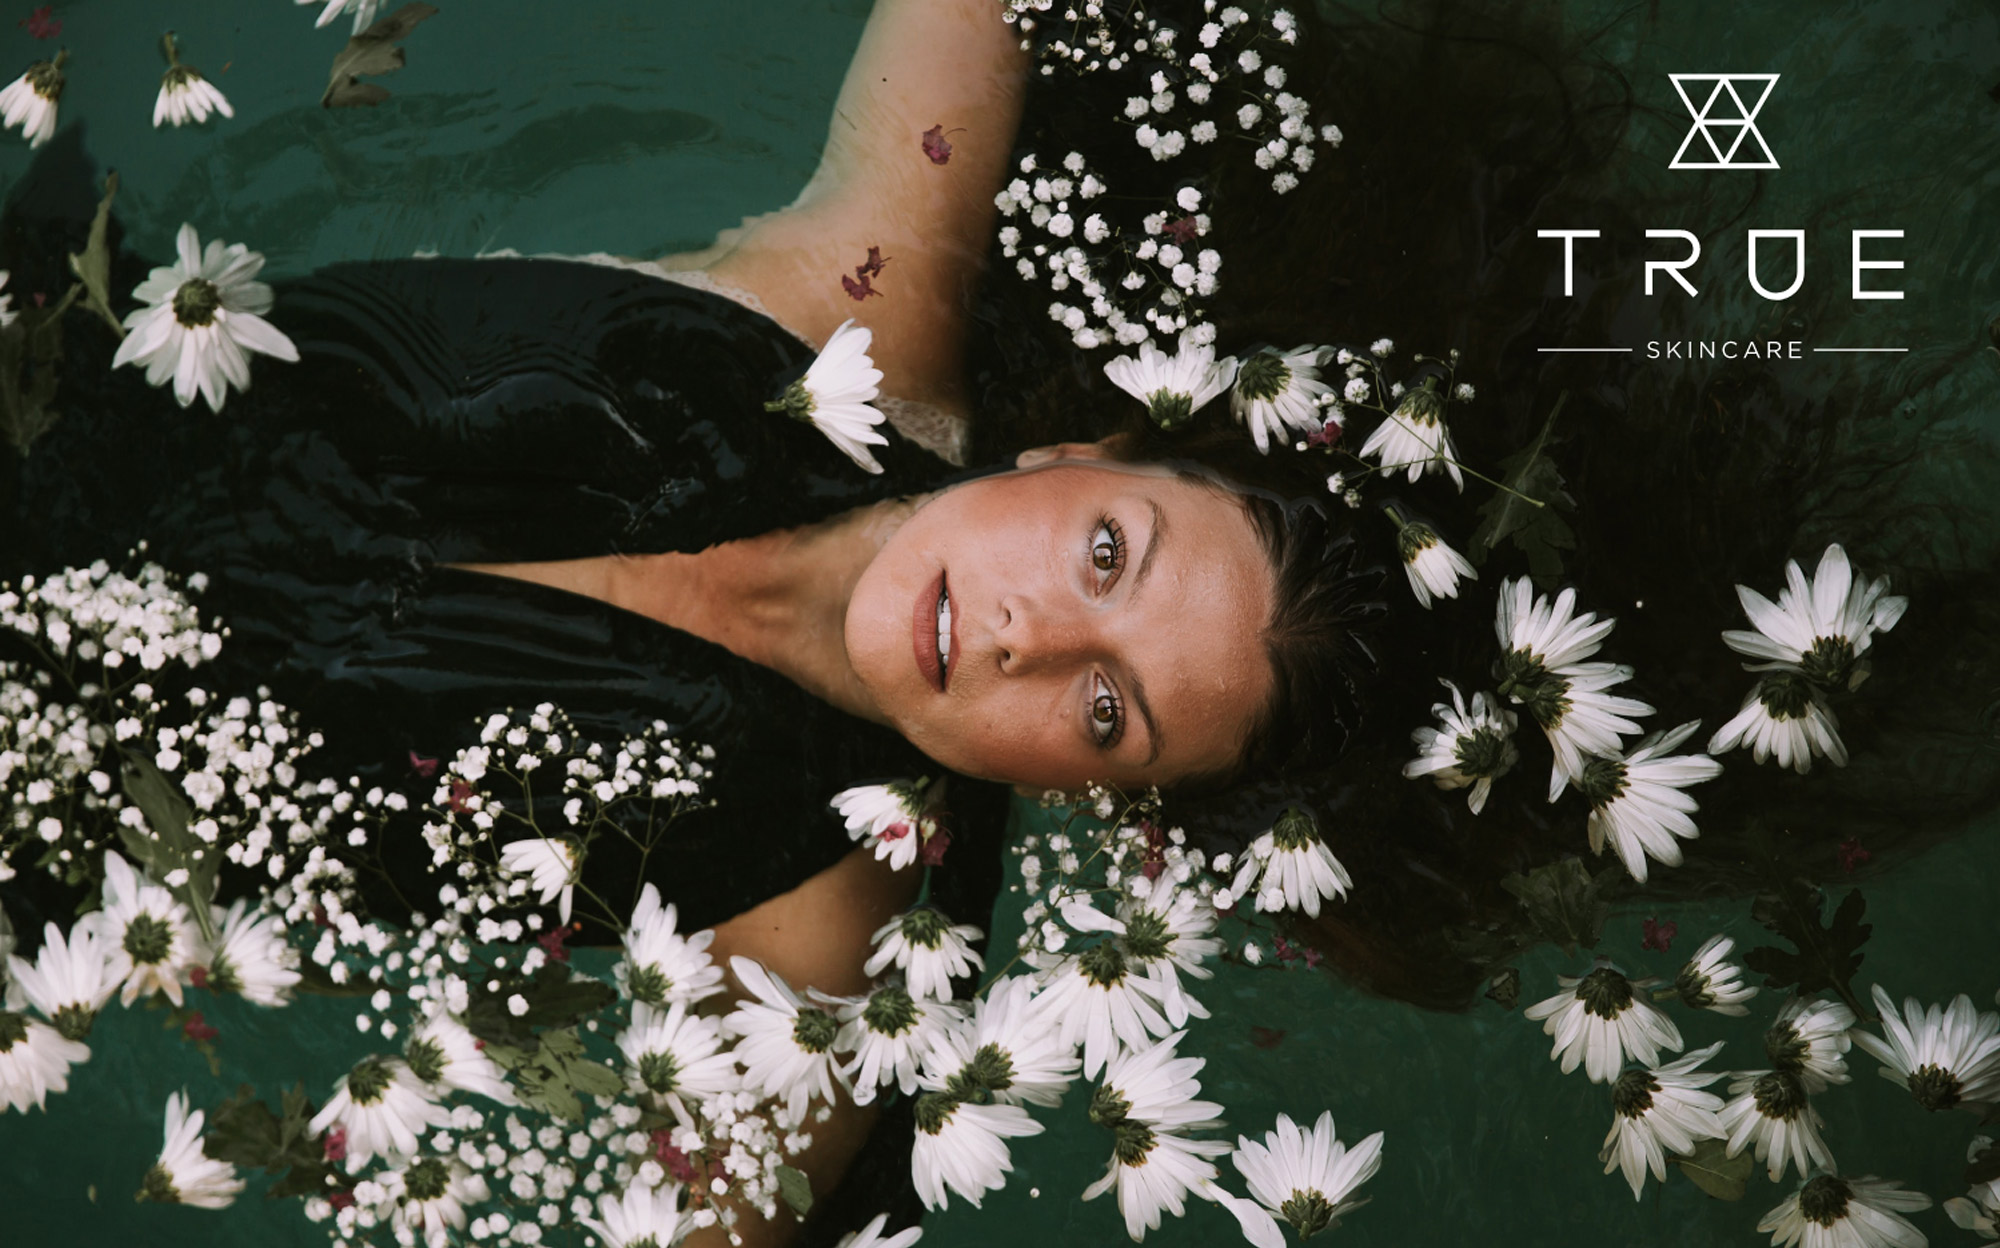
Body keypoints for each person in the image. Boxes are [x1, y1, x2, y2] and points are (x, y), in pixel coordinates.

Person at [2, 0, 1997, 1244]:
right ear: (1089, 452)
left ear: (1100, 799)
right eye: (1109, 558)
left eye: (1111, 714)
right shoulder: (851, 286)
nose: (1036, 642)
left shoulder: (821, 927)